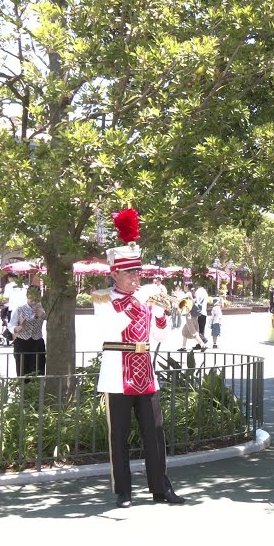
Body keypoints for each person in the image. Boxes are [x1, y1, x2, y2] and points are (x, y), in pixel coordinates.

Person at [92, 208, 184, 508]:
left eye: (137, 272)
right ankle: (123, 490)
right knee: (118, 436)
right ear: (115, 273)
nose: (135, 278)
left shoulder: (145, 300)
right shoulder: (103, 299)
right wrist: (135, 305)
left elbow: (158, 338)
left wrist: (160, 316)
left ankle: (161, 488)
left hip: (145, 372)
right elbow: (109, 331)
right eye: (130, 273)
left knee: (155, 434)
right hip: (118, 373)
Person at [9, 286, 47, 377]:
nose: (34, 297)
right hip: (22, 342)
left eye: (37, 295)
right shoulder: (20, 309)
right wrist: (18, 328)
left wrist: (44, 314)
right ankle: (23, 390)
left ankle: (38, 390)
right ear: (27, 295)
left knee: (38, 371)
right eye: (31, 294)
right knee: (22, 371)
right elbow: (11, 325)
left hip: (37, 342)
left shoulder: (43, 309)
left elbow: (52, 321)